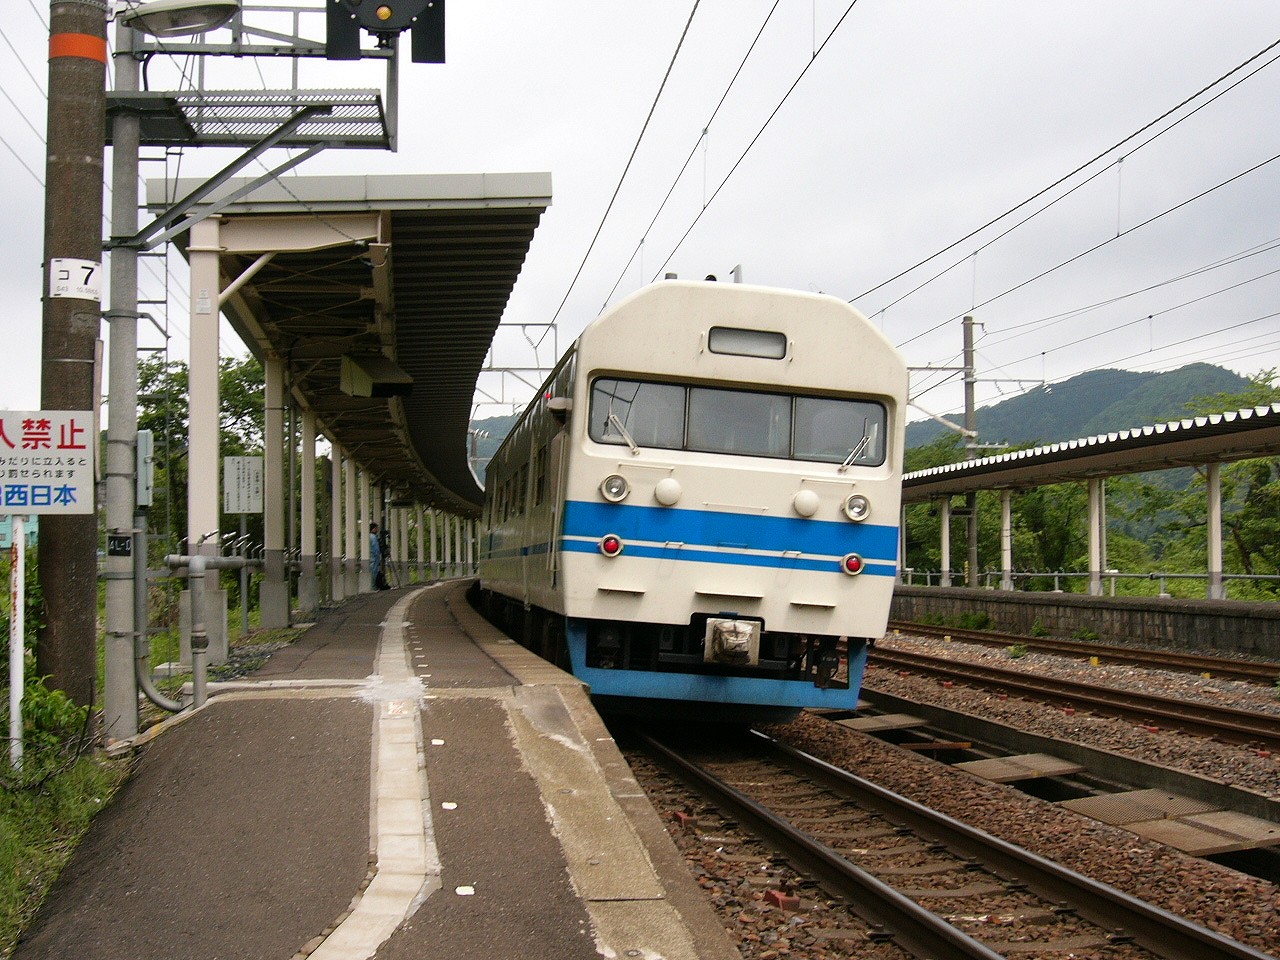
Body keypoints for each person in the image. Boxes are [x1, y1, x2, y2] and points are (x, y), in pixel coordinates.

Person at [369, 522, 384, 591]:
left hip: (371, 557)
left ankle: (373, 586)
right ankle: (374, 586)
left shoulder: (369, 536)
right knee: (374, 572)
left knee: (373, 571)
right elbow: (376, 549)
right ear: (373, 529)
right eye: (376, 528)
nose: (377, 530)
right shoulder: (374, 537)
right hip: (374, 557)